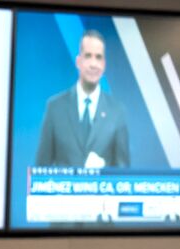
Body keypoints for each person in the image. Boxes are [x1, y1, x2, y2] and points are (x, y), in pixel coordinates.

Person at [35, 30, 130, 169]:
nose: (93, 63)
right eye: (88, 56)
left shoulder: (117, 112)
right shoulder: (55, 107)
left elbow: (124, 177)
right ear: (78, 61)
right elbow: (41, 170)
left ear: (104, 64)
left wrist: (104, 172)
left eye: (98, 57)